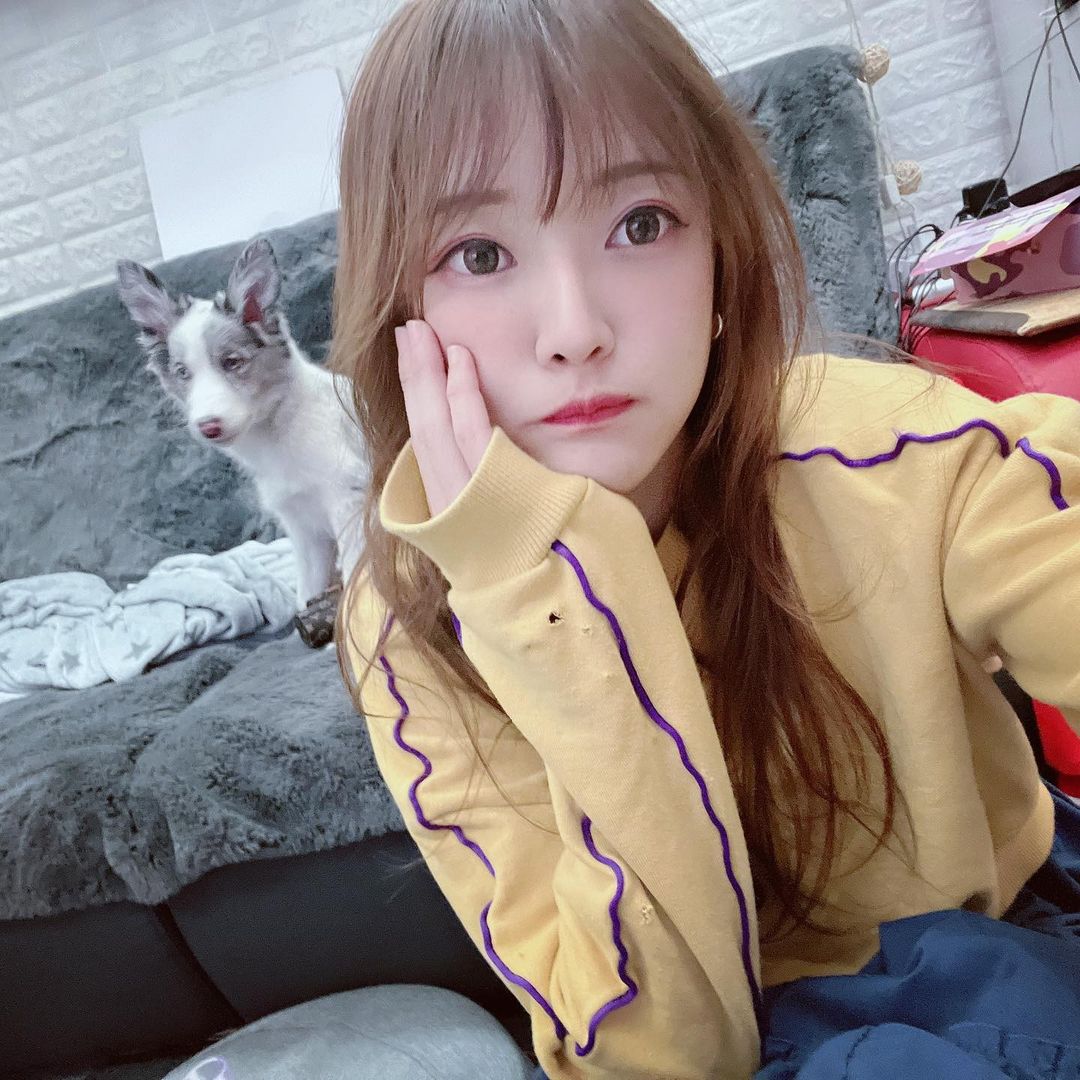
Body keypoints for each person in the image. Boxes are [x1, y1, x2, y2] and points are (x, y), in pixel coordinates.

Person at [331, 1, 1080, 1077]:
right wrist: (534, 598)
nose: (575, 329)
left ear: (721, 258)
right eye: (480, 252)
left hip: (1005, 957)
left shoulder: (890, 448)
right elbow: (664, 1057)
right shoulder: (408, 626)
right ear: (398, 310)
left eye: (640, 224)